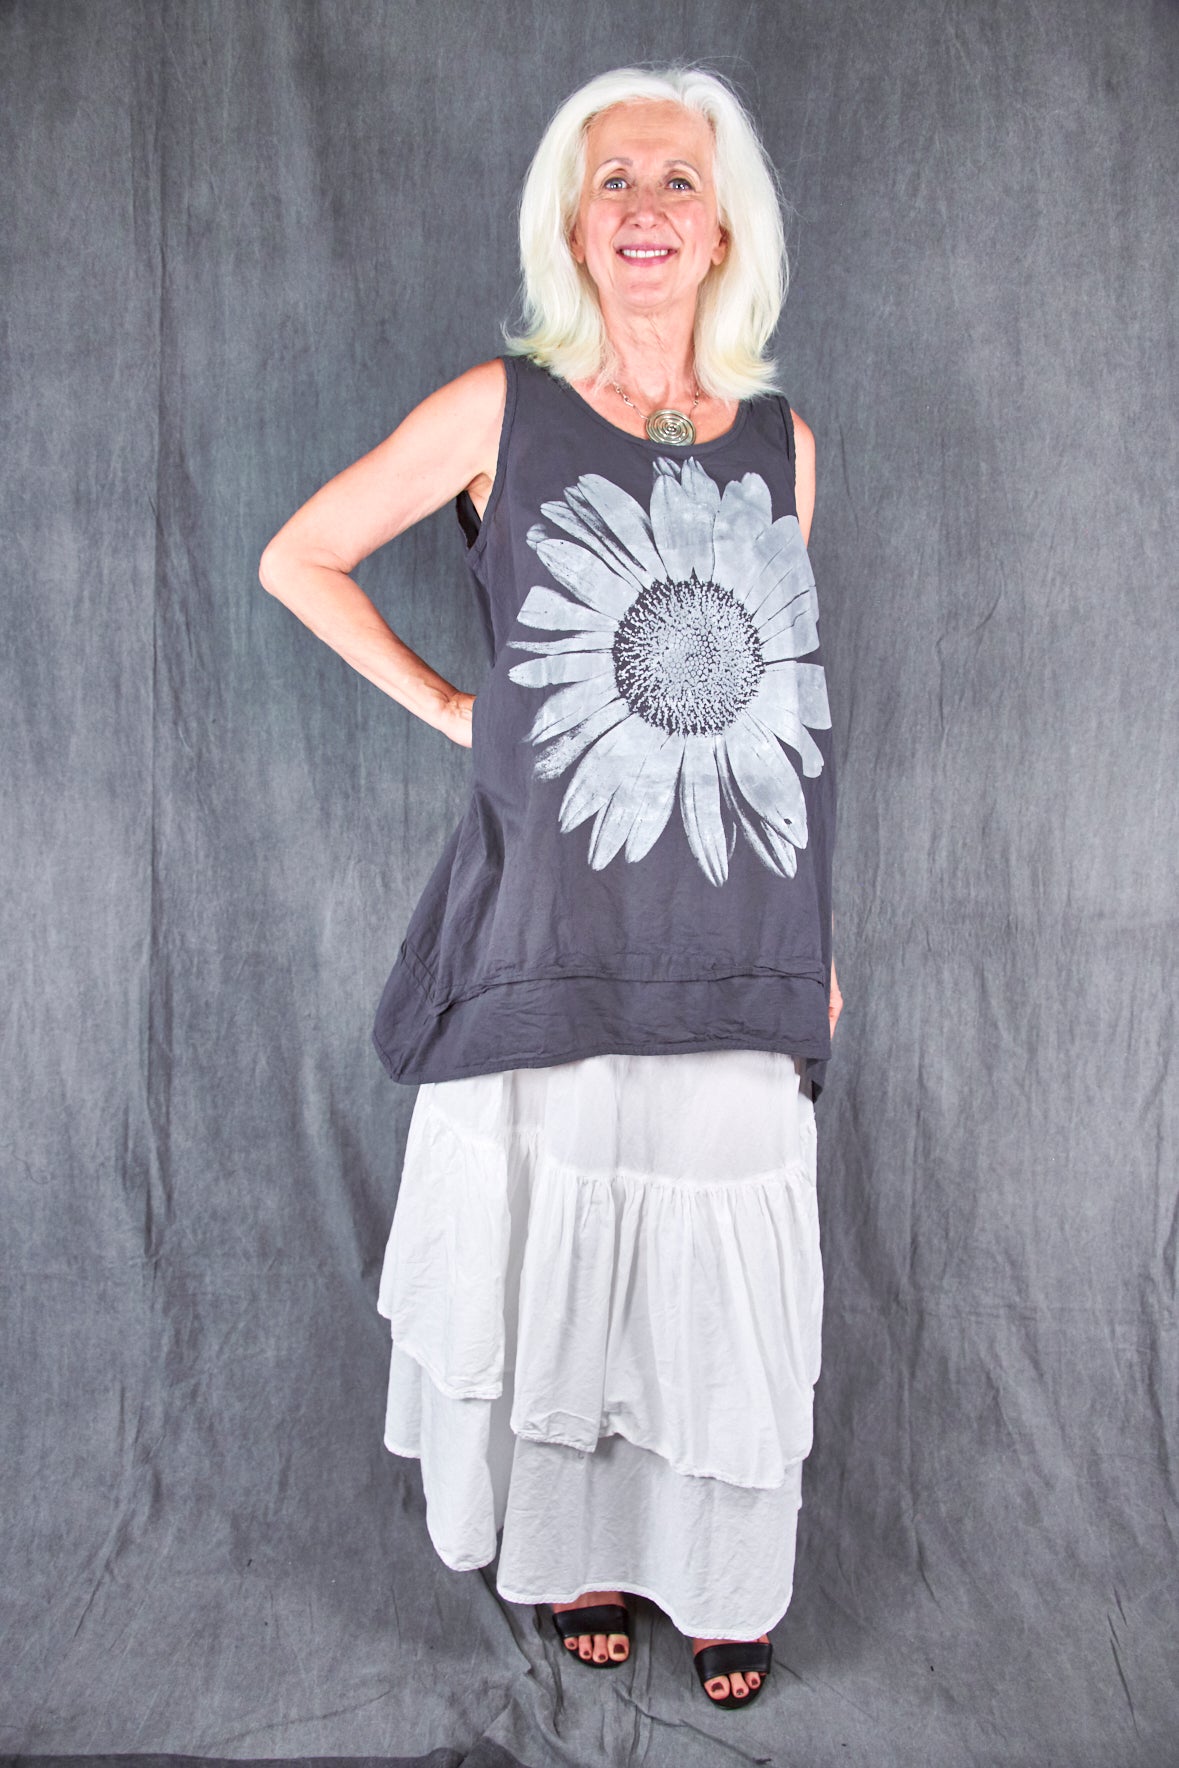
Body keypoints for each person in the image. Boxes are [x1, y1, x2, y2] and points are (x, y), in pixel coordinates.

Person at [260, 63, 843, 1714]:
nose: (646, 206)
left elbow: (784, 725)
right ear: (574, 230)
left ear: (724, 230)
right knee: (569, 1234)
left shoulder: (787, 446)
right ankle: (581, 1557)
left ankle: (721, 1579)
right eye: (614, 182)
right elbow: (299, 556)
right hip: (551, 926)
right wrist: (459, 708)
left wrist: (814, 948)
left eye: (677, 180)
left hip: (737, 931)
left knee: (715, 1260)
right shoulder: (494, 414)